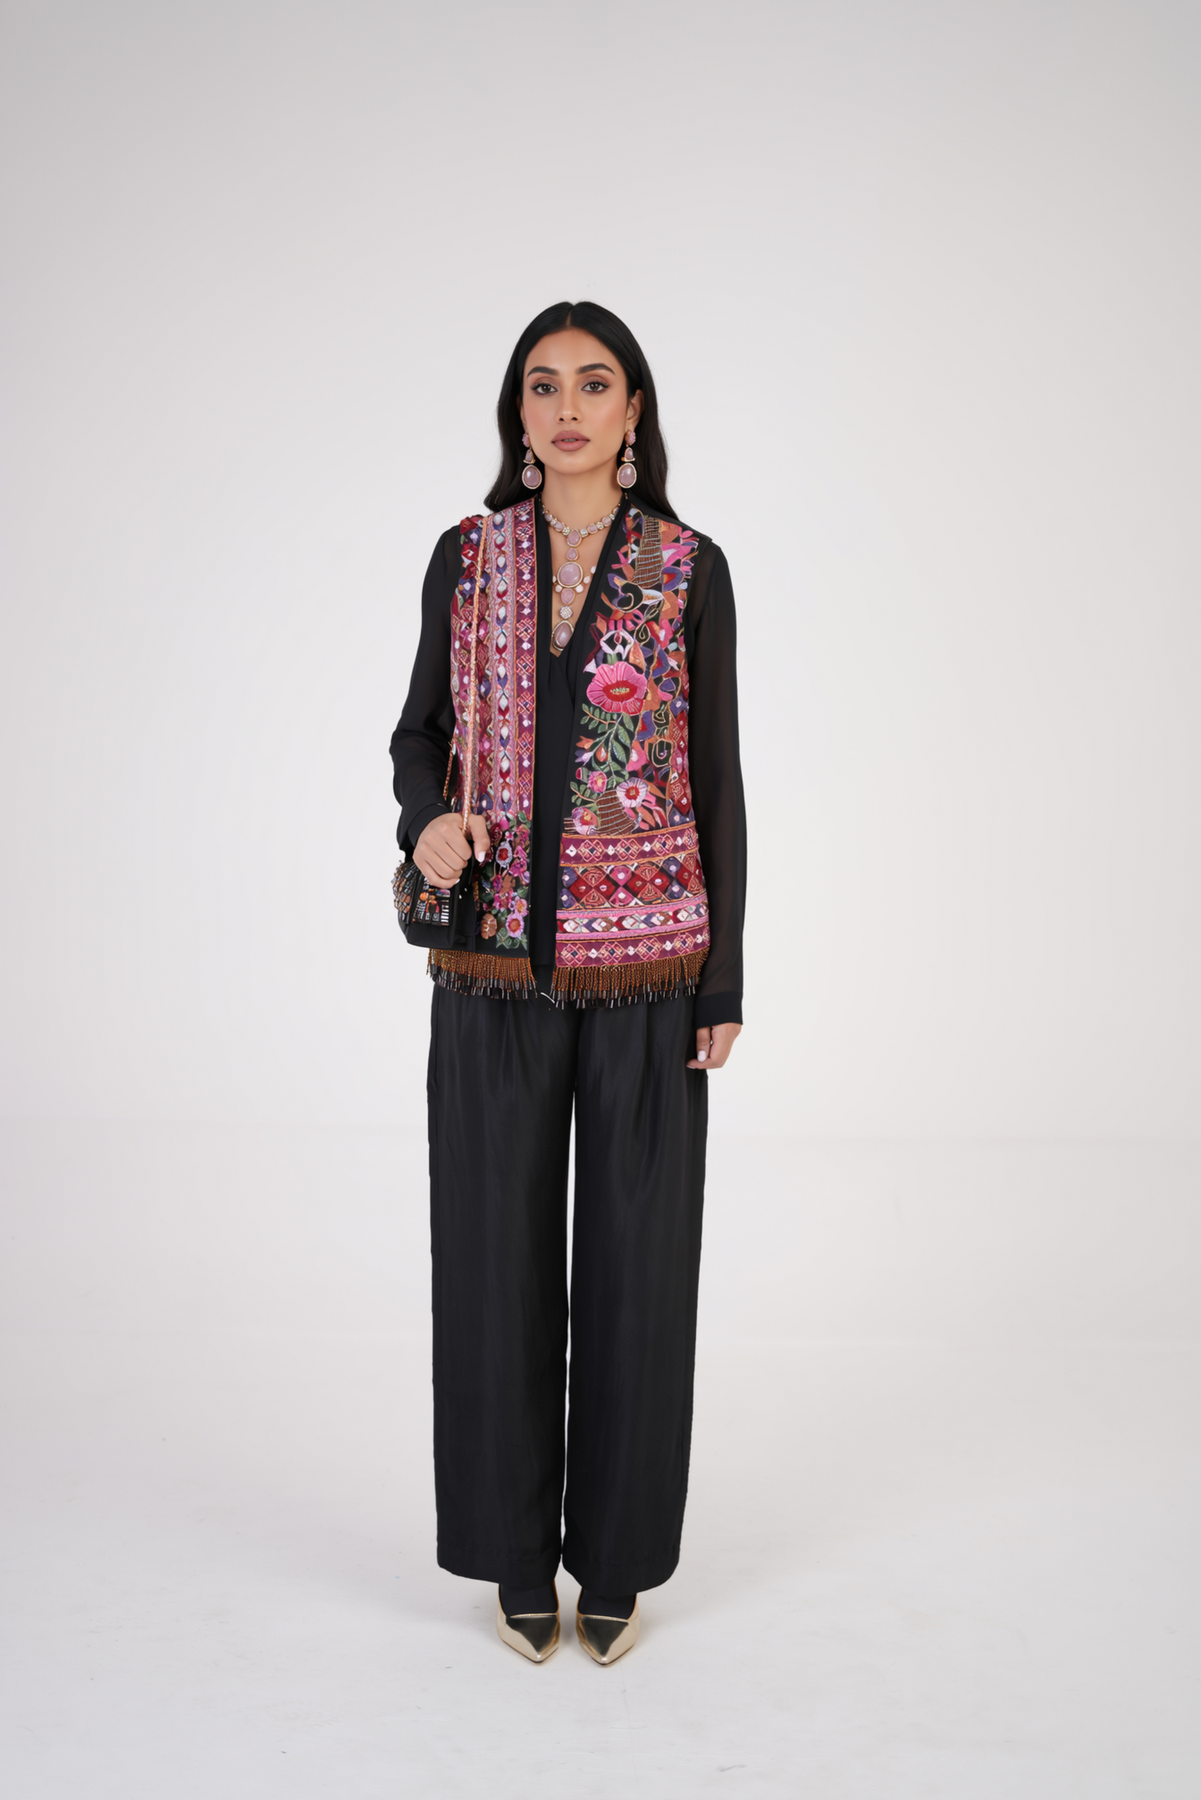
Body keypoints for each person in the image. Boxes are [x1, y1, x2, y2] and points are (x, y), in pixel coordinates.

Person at [390, 301, 746, 1665]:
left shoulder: (688, 568)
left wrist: (724, 979)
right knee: (492, 1260)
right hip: (489, 967)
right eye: (544, 387)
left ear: (634, 411)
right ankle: (509, 1551)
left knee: (639, 1269)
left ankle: (617, 1555)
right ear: (519, 415)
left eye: (596, 385)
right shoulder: (466, 557)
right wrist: (428, 817)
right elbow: (417, 734)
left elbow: (718, 780)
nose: (570, 408)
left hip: (653, 970)